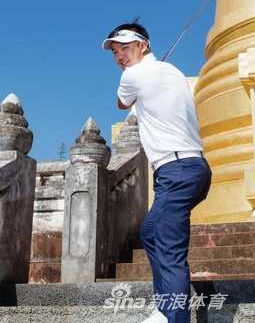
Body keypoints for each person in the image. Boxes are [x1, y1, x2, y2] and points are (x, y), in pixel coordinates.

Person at [103, 22, 211, 323]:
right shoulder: (172, 72)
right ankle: (167, 308)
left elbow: (120, 103)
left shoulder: (132, 76)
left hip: (176, 170)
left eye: (125, 48)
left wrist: (135, 90)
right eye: (115, 52)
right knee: (152, 232)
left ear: (144, 45)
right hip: (192, 169)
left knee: (167, 247)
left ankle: (173, 316)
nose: (119, 57)